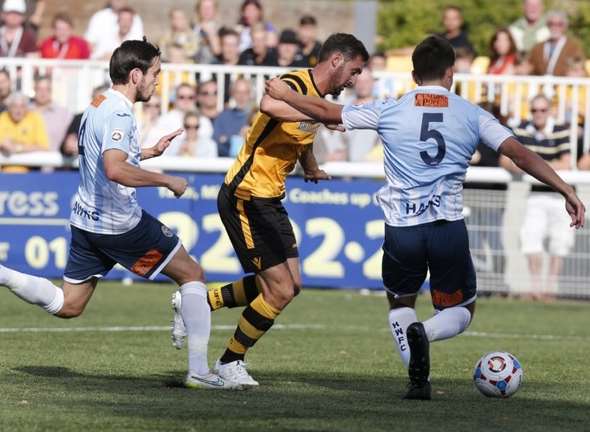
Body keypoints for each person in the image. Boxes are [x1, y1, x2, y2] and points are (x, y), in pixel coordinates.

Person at [264, 35, 585, 400]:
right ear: (451, 73)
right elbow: (521, 155)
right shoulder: (472, 113)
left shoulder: (390, 109)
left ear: (414, 75)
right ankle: (426, 333)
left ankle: (418, 378)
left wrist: (285, 94)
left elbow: (325, 112)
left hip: (402, 229)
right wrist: (565, 189)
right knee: (462, 309)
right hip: (447, 226)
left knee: (400, 303)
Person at [0, 39, 239, 390]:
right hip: (118, 224)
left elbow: (107, 155)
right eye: (155, 73)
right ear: (136, 74)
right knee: (192, 274)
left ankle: (2, 274)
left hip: (86, 219)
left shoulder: (98, 102)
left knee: (68, 305)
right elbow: (114, 169)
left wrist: (148, 152)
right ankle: (200, 372)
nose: (158, 81)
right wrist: (165, 180)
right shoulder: (121, 113)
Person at [170, 33, 369, 387]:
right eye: (354, 70)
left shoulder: (316, 100)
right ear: (336, 60)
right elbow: (269, 106)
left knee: (291, 285)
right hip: (245, 195)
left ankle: (198, 303)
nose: (355, 80)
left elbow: (301, 140)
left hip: (269, 199)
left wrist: (311, 167)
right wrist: (320, 116)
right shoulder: (296, 83)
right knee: (278, 291)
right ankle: (230, 361)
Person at [500, 94, 574, 301]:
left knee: (560, 241)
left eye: (542, 110)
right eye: (534, 110)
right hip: (535, 195)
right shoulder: (523, 129)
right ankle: (535, 287)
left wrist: (531, 168)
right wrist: (539, 168)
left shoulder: (560, 129)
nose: (538, 114)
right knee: (531, 239)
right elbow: (505, 160)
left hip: (559, 196)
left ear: (549, 111)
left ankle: (550, 288)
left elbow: (566, 163)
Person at [526, 10, 584, 77]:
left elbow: (582, 69)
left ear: (565, 26)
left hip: (563, 86)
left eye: (559, 24)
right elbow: (529, 68)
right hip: (541, 86)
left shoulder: (574, 47)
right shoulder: (538, 48)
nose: (555, 27)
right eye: (551, 24)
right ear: (547, 25)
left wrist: (578, 73)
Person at [213, 78, 253, 157]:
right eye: (238, 92)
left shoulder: (257, 117)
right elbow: (216, 142)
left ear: (250, 94)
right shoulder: (223, 117)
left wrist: (226, 139)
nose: (242, 96)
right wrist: (235, 138)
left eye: (245, 92)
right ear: (232, 94)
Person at [32, 75, 73, 152]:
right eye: (39, 89)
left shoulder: (64, 113)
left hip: (57, 162)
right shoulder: (25, 111)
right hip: (27, 162)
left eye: (47, 89)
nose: (43, 93)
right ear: (34, 90)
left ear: (51, 91)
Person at [193, 0, 221, 64]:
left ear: (215, 10)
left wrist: (210, 32)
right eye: (203, 8)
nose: (206, 10)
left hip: (213, 68)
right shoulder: (193, 28)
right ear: (198, 10)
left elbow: (217, 51)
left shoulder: (221, 29)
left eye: (209, 8)